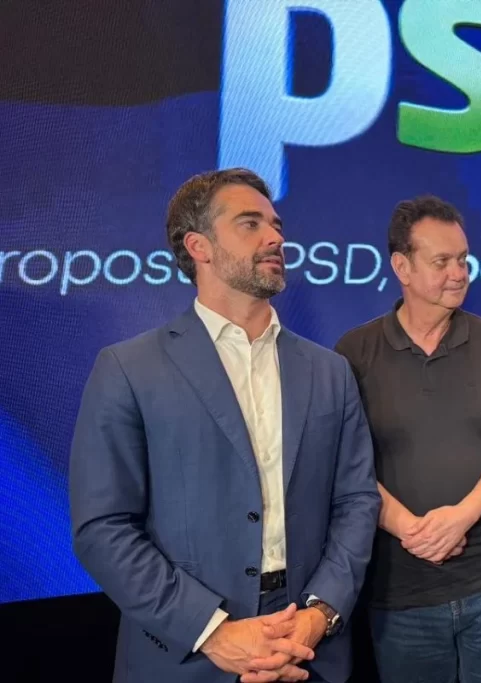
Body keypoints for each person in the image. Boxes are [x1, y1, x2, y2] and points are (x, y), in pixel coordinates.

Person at [69, 168, 381, 683]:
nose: (275, 237)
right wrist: (213, 632)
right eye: (250, 223)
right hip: (186, 654)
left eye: (276, 225)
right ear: (199, 247)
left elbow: (356, 499)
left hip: (308, 649)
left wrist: (318, 614)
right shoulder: (129, 369)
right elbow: (103, 528)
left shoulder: (330, 370)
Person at [334, 196, 481, 683]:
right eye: (442, 261)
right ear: (401, 266)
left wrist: (461, 517)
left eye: (463, 259)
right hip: (402, 590)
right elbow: (345, 465)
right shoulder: (354, 352)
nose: (458, 273)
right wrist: (413, 530)